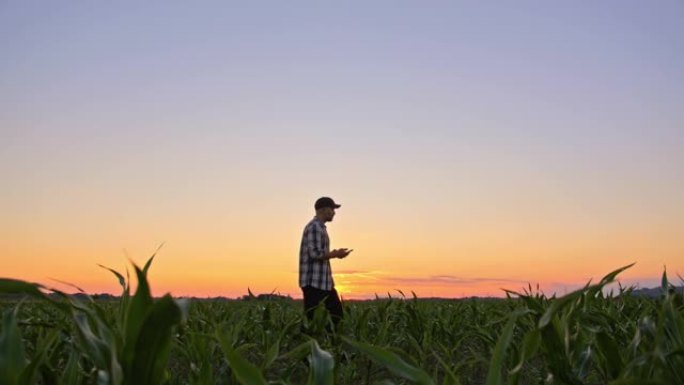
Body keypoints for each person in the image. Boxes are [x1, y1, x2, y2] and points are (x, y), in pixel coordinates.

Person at [299, 196, 352, 328]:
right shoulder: (314, 227)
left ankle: (329, 343)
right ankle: (307, 344)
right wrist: (336, 254)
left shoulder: (320, 228)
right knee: (312, 319)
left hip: (323, 282)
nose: (334, 212)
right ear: (323, 209)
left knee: (336, 315)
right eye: (332, 209)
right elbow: (315, 253)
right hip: (313, 282)